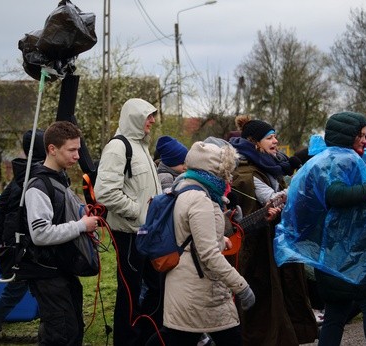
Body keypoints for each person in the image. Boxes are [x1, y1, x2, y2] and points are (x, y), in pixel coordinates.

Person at [275, 111, 366, 346]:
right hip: (350, 255)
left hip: (330, 254)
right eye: (361, 136)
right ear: (348, 136)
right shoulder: (341, 159)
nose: (365, 141)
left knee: (336, 312)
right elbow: (336, 195)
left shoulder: (320, 160)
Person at [146, 141, 255, 346]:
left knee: (177, 337)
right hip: (198, 288)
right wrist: (241, 286)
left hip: (189, 284)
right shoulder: (199, 199)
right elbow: (208, 254)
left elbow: (190, 234)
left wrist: (219, 239)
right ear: (214, 170)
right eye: (226, 171)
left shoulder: (186, 186)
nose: (229, 177)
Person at [228, 115, 317, 345]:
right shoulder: (247, 173)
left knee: (284, 293)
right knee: (265, 299)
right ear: (255, 142)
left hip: (275, 241)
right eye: (270, 137)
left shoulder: (270, 164)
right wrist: (303, 183)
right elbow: (274, 200)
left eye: (275, 136)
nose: (276, 141)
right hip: (257, 249)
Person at [24, 121, 99, 346]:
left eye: (78, 149)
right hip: (47, 273)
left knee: (74, 329)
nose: (78, 155)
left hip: (63, 269)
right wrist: (81, 226)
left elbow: (60, 215)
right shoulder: (38, 186)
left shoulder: (61, 178)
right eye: (72, 150)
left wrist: (80, 214)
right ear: (52, 149)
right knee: (60, 335)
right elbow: (40, 233)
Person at [95, 98, 163, 346]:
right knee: (131, 293)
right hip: (130, 234)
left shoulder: (142, 147)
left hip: (148, 232)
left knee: (154, 288)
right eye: (148, 116)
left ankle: (146, 338)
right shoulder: (117, 147)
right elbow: (105, 193)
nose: (153, 121)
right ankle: (127, 341)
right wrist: (139, 212)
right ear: (135, 117)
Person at [0, 129, 46, 346]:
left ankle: (50, 332)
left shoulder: (19, 176)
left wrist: (0, 238)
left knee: (43, 291)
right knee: (14, 294)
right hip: (27, 248)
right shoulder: (35, 176)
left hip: (21, 246)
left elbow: (1, 204)